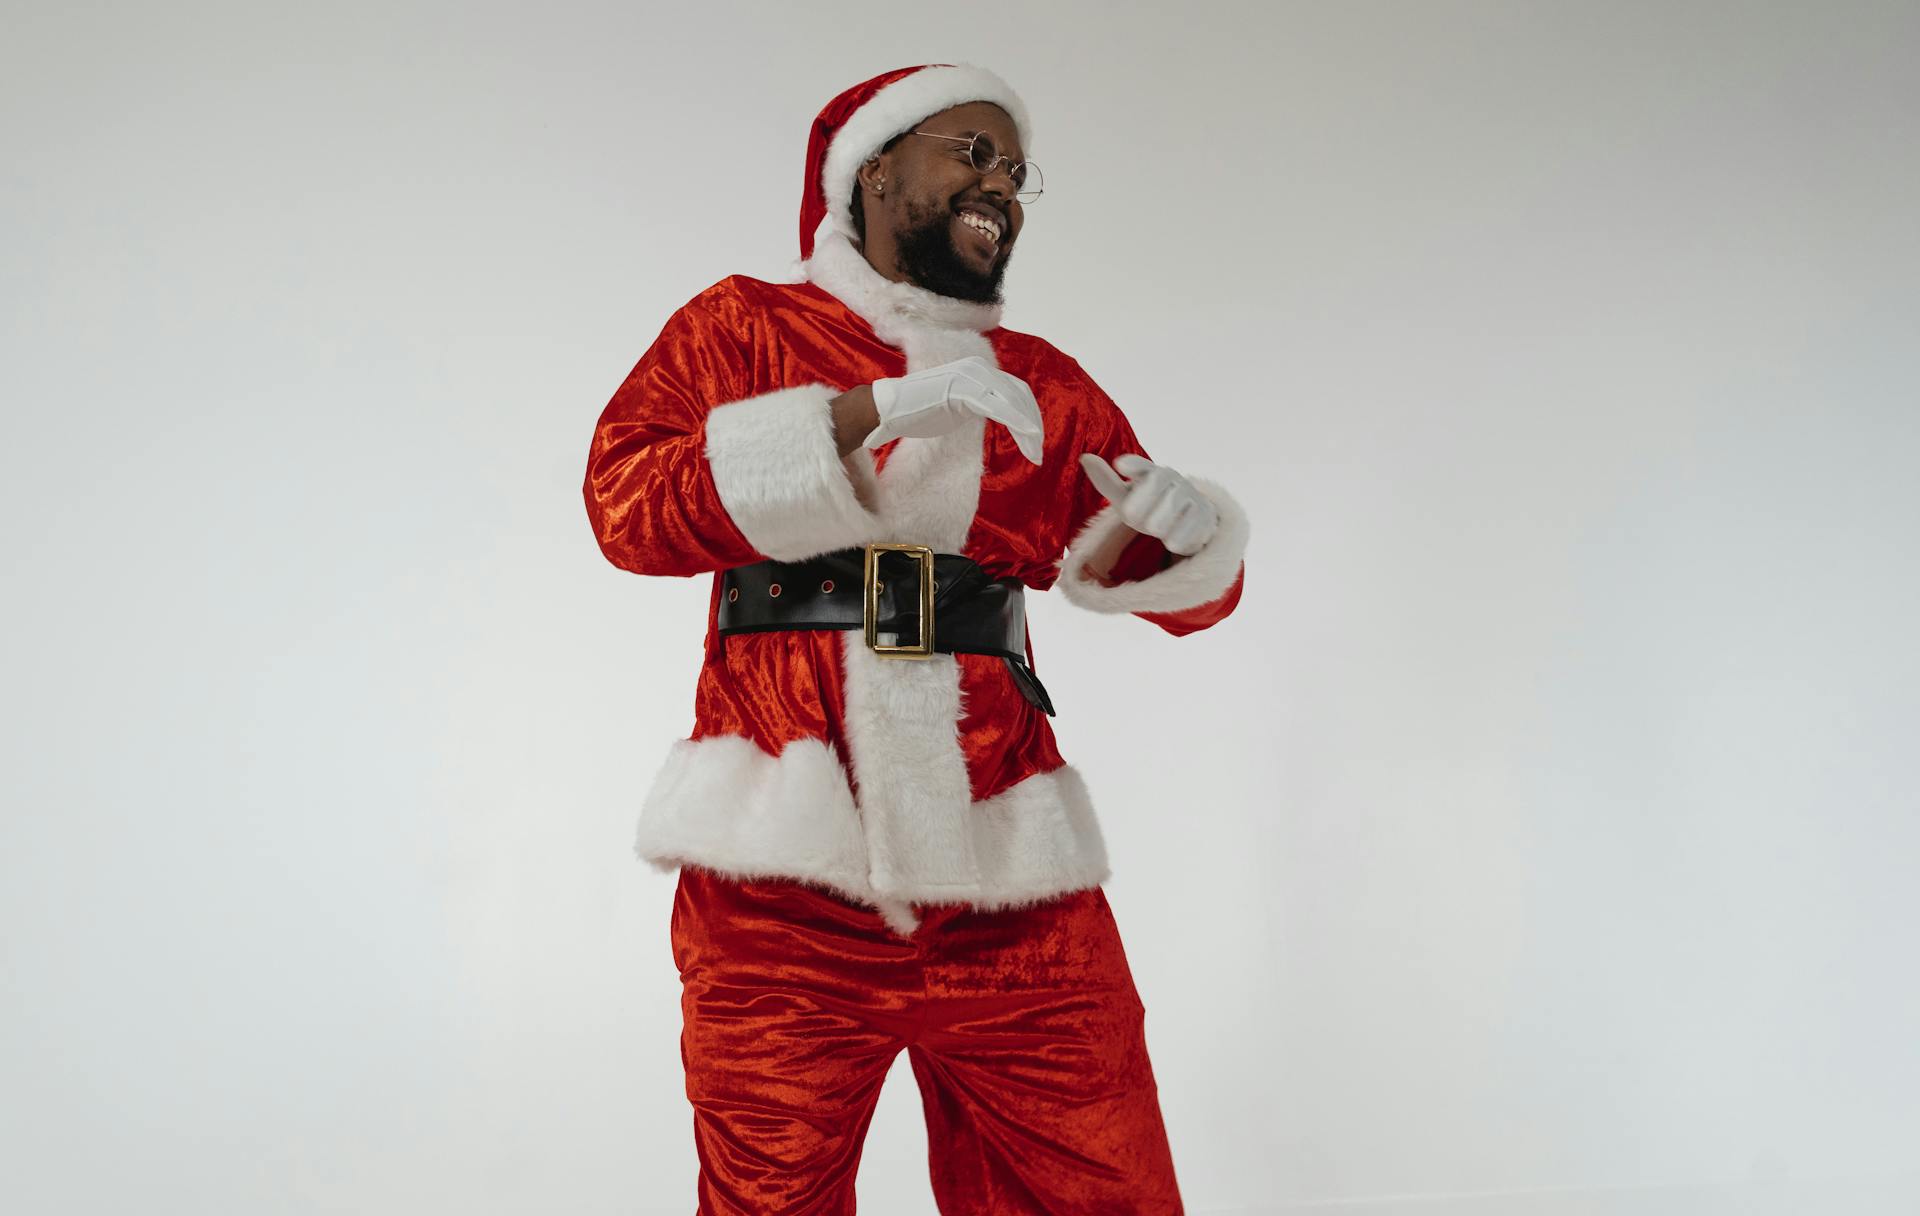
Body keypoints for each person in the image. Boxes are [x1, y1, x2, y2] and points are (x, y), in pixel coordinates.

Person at [583, 62, 1248, 1215]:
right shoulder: (740, 326)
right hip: (782, 891)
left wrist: (1181, 541)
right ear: (876, 170)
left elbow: (1169, 593)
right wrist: (858, 417)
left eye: (1014, 168)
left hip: (1015, 896)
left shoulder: (1044, 386)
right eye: (971, 152)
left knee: (1104, 1189)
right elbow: (627, 506)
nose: (1001, 185)